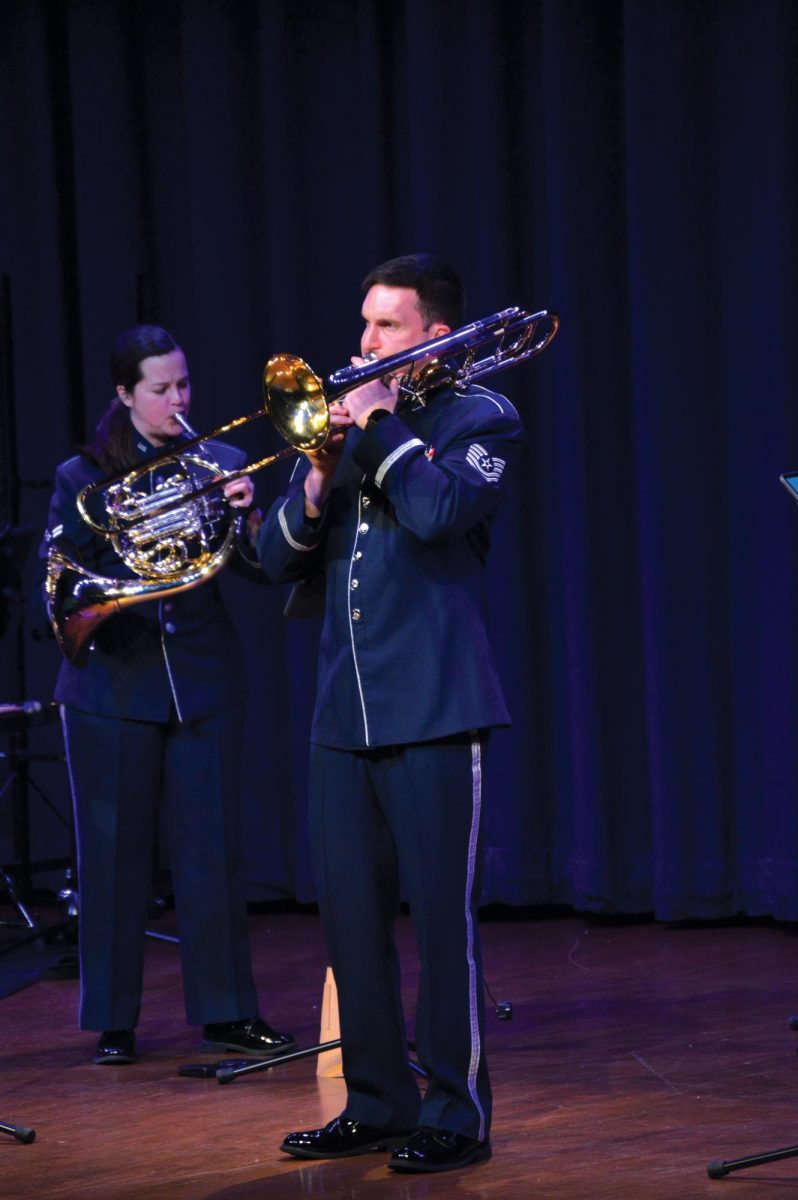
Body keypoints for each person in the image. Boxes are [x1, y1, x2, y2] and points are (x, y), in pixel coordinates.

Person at [256, 255, 524, 1173]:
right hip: (344, 713)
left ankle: (458, 1114)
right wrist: (314, 484)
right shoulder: (346, 433)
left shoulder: (478, 417)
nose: (364, 345)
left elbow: (439, 510)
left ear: (435, 336)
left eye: (387, 329)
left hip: (439, 708)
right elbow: (274, 559)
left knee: (443, 925)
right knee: (351, 919)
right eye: (364, 325)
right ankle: (376, 1099)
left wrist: (377, 429)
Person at [39, 324, 294, 1065]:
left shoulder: (223, 460)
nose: (178, 400)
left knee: (212, 851)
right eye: (160, 389)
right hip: (112, 682)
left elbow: (258, 568)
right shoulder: (82, 476)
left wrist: (244, 514)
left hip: (204, 682)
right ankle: (114, 1021)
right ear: (124, 395)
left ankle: (227, 1013)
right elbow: (64, 582)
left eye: (184, 385)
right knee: (113, 857)